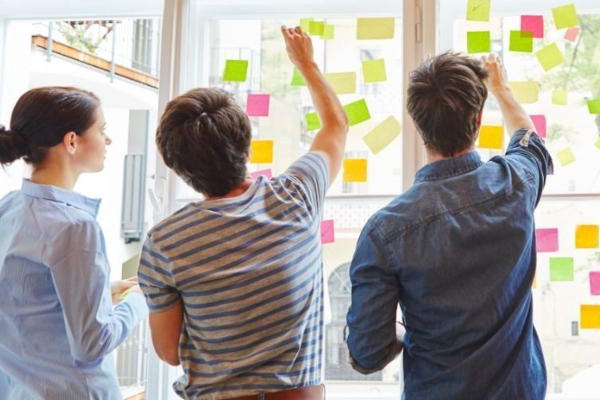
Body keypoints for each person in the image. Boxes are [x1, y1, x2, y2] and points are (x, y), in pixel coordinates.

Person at [136, 26, 347, 399]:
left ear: (179, 169)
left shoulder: (164, 242)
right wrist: (306, 64)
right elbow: (335, 125)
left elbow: (168, 352)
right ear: (246, 146)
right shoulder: (297, 195)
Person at [345, 52, 552, 399]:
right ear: (478, 120)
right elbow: (529, 139)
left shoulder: (384, 231)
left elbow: (367, 354)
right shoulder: (516, 183)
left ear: (417, 123)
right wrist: (500, 88)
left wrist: (404, 333)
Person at [0, 87, 149, 399]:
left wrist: (103, 290)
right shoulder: (76, 228)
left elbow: (24, 301)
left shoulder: (9, 208)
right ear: (71, 141)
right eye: (102, 130)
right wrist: (138, 299)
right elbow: (92, 344)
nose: (108, 141)